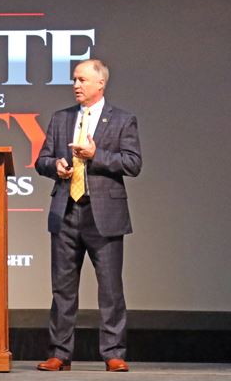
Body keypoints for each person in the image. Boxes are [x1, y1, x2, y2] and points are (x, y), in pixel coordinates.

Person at [34, 59, 142, 372]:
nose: (76, 85)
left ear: (100, 84)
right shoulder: (61, 118)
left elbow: (133, 163)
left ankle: (113, 352)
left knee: (110, 288)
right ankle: (59, 353)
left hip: (104, 214)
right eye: (74, 80)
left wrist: (97, 156)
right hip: (66, 211)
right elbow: (42, 159)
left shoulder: (122, 119)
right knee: (62, 288)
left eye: (82, 80)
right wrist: (55, 166)